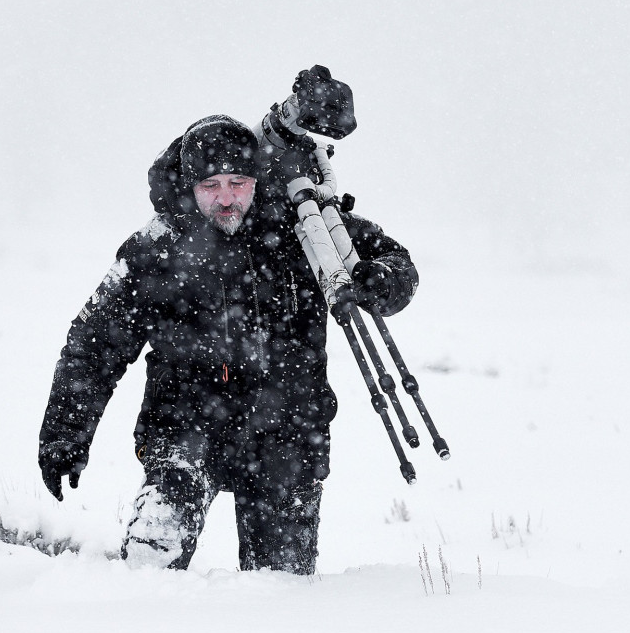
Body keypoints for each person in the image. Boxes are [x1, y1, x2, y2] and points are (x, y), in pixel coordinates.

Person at [37, 115, 419, 574]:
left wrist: (382, 281)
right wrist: (65, 436)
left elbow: (397, 262)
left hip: (289, 435)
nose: (226, 197)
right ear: (189, 185)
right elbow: (93, 347)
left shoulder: (306, 229)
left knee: (282, 594)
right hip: (183, 429)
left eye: (239, 182)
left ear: (257, 180)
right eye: (211, 184)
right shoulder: (154, 249)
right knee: (146, 571)